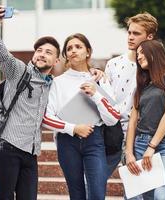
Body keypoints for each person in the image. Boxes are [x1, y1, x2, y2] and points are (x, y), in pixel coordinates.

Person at [0, 5, 61, 200]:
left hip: (31, 152)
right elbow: (0, 52)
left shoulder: (52, 85)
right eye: (39, 50)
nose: (42, 54)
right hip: (7, 147)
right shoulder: (18, 71)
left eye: (48, 52)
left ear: (56, 60)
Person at [104, 12, 165, 179]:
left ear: (149, 37)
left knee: (140, 191)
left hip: (141, 135)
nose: (130, 37)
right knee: (95, 182)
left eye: (136, 33)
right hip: (113, 132)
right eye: (129, 32)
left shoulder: (157, 72)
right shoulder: (113, 64)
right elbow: (105, 99)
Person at [42, 33, 120, 200]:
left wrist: (95, 95)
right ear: (65, 55)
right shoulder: (58, 82)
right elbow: (47, 116)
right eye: (69, 48)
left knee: (98, 194)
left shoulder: (100, 79)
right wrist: (74, 128)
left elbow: (113, 118)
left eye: (78, 47)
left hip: (95, 140)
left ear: (88, 52)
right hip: (67, 142)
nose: (73, 51)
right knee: (76, 194)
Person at [126, 39, 165, 199]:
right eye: (137, 54)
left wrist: (152, 146)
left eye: (142, 52)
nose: (138, 57)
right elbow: (133, 120)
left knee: (161, 196)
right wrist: (129, 152)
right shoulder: (142, 84)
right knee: (135, 197)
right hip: (139, 144)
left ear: (155, 53)